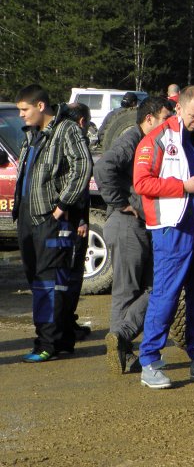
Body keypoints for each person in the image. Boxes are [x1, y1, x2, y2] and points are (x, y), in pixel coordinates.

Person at [134, 85, 194, 389]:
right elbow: (142, 183)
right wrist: (183, 186)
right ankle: (150, 359)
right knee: (166, 296)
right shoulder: (156, 139)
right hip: (172, 228)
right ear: (179, 109)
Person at [12, 85, 93, 362]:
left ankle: (47, 343)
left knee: (49, 282)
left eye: (25, 109)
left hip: (50, 219)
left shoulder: (66, 130)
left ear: (41, 106)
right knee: (39, 280)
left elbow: (82, 165)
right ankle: (59, 340)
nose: (21, 115)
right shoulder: (32, 135)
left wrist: (63, 206)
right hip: (28, 218)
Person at [95, 95, 173, 374]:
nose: (170, 124)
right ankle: (121, 346)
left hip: (138, 225)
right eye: (166, 118)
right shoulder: (132, 140)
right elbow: (103, 167)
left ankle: (121, 342)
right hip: (128, 223)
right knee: (129, 291)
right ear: (148, 119)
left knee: (154, 287)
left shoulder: (151, 142)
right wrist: (121, 203)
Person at [61, 102, 95, 343]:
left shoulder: (55, 137)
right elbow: (79, 183)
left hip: (63, 217)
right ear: (82, 122)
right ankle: (65, 325)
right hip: (72, 220)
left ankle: (66, 322)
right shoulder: (75, 140)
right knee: (71, 275)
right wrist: (82, 219)